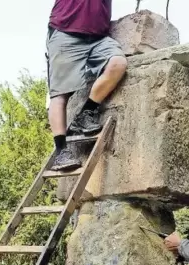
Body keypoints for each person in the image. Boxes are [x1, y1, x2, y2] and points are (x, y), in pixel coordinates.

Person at [46, 0, 127, 171]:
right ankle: (61, 152)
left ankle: (86, 113)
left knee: (118, 63)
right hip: (66, 32)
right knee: (60, 94)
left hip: (99, 37)